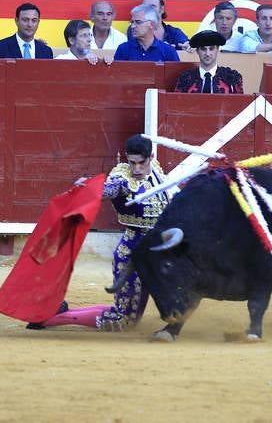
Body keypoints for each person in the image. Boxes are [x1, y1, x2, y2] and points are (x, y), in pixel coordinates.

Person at [28, 134, 170, 332]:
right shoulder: (122, 177)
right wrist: (91, 189)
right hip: (133, 255)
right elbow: (108, 190)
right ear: (126, 159)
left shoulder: (155, 171)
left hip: (157, 250)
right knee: (124, 320)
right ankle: (50, 318)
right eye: (132, 163)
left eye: (141, 163)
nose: (137, 169)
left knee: (128, 315)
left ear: (151, 157)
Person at [175, 30, 244, 94]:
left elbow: (241, 104)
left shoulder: (232, 77)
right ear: (197, 51)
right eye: (203, 49)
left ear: (217, 50)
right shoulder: (185, 78)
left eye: (211, 49)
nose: (207, 54)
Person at [113, 4, 180, 62]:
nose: (132, 26)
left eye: (138, 22)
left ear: (152, 24)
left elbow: (176, 75)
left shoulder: (168, 51)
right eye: (132, 22)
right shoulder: (123, 49)